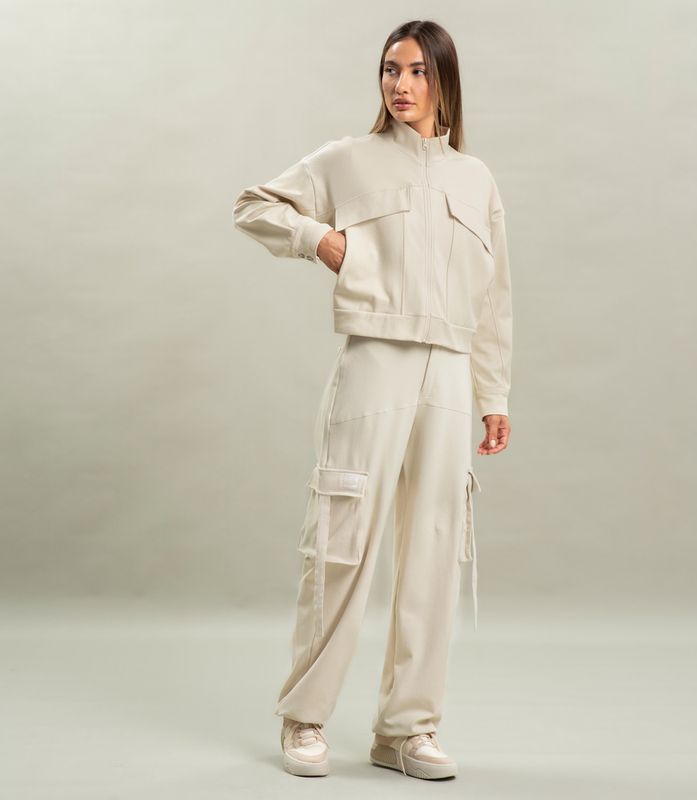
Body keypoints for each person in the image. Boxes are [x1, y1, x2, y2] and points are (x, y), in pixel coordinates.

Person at [232, 19, 512, 780]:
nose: (401, 84)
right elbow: (253, 205)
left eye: (418, 70)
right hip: (375, 362)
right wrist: (318, 239)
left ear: (444, 81)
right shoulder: (349, 159)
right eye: (391, 69)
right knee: (343, 539)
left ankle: (406, 731)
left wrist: (493, 394)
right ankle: (305, 717)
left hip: (450, 372)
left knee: (434, 549)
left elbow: (494, 298)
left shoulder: (475, 178)